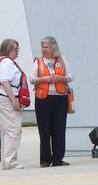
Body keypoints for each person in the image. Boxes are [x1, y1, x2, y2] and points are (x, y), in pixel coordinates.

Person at [30, 36, 73, 167]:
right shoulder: (38, 61)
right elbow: (32, 78)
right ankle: (45, 160)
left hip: (60, 98)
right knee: (44, 129)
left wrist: (60, 78)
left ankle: (57, 159)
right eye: (42, 47)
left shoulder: (62, 60)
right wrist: (44, 79)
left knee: (59, 129)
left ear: (53, 47)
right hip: (43, 98)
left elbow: (71, 76)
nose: (43, 49)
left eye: (46, 47)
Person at [0, 38, 25, 170]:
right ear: (8, 50)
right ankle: (10, 161)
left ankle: (7, 161)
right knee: (13, 129)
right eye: (15, 49)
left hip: (2, 98)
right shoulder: (6, 62)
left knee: (7, 130)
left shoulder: (6, 62)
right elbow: (5, 82)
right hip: (6, 99)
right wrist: (13, 100)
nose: (17, 52)